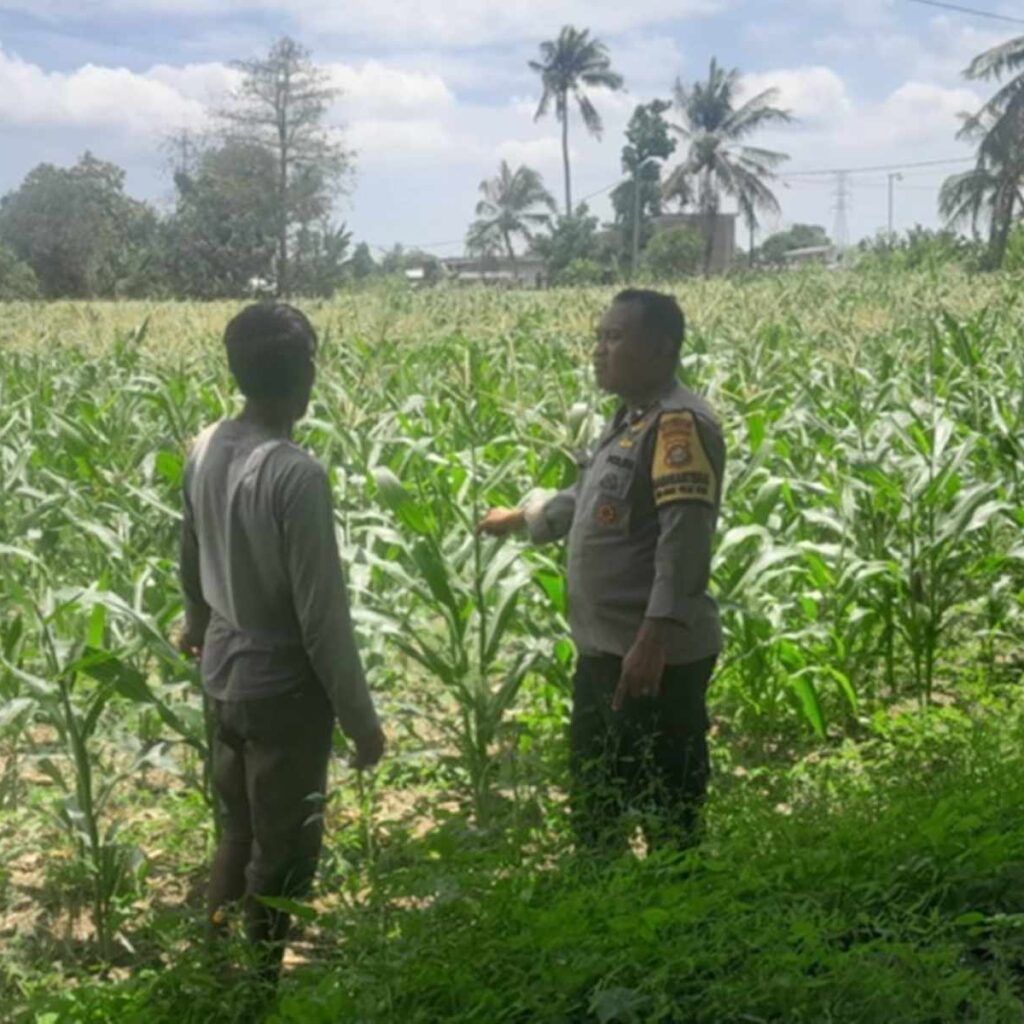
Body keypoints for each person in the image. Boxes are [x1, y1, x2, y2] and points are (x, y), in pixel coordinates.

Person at [178, 302, 384, 986]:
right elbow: (322, 621)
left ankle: (214, 969)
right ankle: (259, 989)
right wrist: (362, 722)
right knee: (286, 849)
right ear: (306, 374)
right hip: (284, 695)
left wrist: (198, 623)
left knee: (235, 833)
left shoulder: (204, 445)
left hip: (224, 683)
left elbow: (190, 549)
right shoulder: (295, 474)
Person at [478, 289, 724, 854]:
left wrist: (654, 638)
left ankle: (682, 913)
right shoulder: (631, 420)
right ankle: (605, 911)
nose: (598, 351)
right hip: (606, 649)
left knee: (666, 804)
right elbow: (591, 495)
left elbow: (683, 540)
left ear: (660, 347)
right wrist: (521, 517)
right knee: (597, 799)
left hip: (648, 656)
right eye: (599, 337)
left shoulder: (678, 426)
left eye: (614, 338)